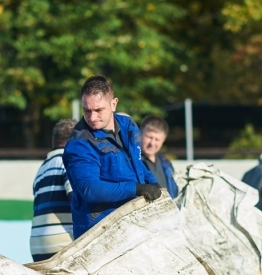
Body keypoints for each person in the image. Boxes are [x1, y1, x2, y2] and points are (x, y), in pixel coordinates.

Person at [63, 76, 161, 239]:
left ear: (114, 104)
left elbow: (136, 163)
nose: (92, 117)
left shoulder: (128, 125)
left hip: (134, 221)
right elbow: (90, 189)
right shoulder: (79, 144)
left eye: (99, 110)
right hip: (99, 232)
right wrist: (135, 188)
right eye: (87, 110)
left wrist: (153, 182)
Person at [30, 119, 75, 261]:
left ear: (53, 141)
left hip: (37, 246)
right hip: (62, 244)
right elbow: (75, 198)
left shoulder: (41, 169)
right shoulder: (68, 160)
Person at [140, 115, 178, 198]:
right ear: (141, 134)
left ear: (163, 141)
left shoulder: (166, 163)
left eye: (157, 139)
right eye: (149, 137)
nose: (152, 143)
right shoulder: (132, 162)